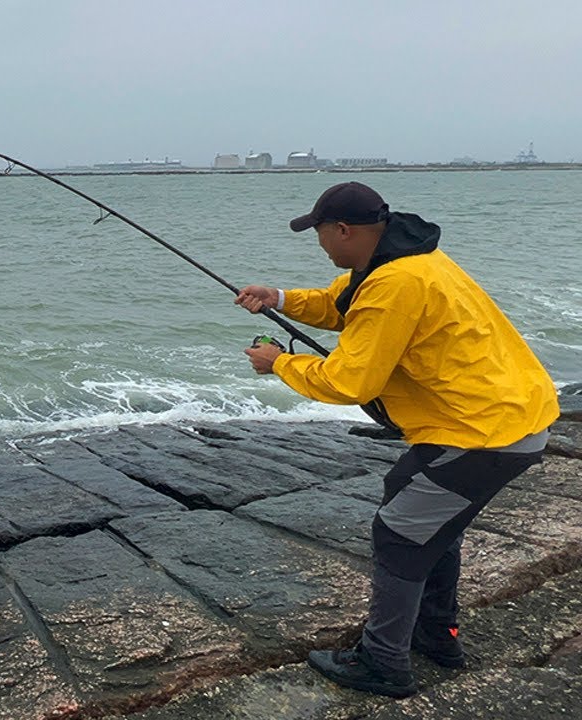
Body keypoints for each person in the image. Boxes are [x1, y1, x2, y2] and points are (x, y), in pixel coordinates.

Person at [236, 181, 559, 697]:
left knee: (397, 534)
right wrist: (278, 298)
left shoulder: (395, 284)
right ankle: (436, 636)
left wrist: (280, 363)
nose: (319, 244)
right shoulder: (403, 261)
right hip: (496, 418)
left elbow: (348, 381)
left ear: (343, 231)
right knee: (424, 519)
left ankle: (383, 663)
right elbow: (338, 305)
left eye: (319, 234)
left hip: (485, 432)